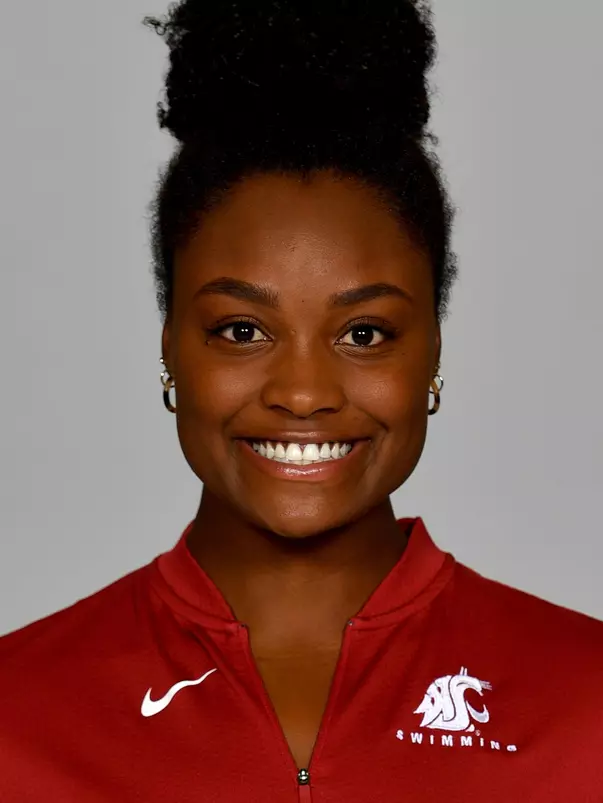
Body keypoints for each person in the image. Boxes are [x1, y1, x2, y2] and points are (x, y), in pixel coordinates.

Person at [1, 1, 601, 800]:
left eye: (364, 333)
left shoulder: (584, 703)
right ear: (169, 345)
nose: (303, 393)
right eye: (243, 329)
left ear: (432, 352)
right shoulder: (18, 713)